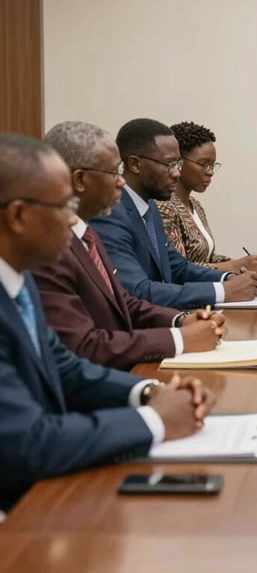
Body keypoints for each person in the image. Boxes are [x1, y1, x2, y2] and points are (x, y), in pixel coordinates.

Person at [0, 132, 216, 512]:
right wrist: (154, 421)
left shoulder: (18, 280)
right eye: (64, 204)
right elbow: (25, 442)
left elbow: (64, 367)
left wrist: (148, 392)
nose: (74, 218)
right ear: (18, 216)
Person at [32, 121, 227, 370]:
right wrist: (179, 339)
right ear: (80, 180)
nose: (122, 182)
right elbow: (83, 346)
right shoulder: (49, 252)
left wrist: (180, 320)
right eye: (113, 172)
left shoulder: (87, 235)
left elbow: (124, 303)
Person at [91, 118, 257, 310]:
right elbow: (136, 291)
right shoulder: (110, 213)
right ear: (135, 164)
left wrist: (227, 277)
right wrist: (223, 291)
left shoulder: (150, 207)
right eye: (169, 165)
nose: (176, 173)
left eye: (179, 164)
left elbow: (177, 267)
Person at [157, 121, 257, 272]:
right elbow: (178, 269)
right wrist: (234, 266)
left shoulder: (195, 205)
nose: (210, 172)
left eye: (213, 165)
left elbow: (207, 257)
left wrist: (244, 263)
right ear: (178, 162)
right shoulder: (164, 207)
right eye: (203, 164)